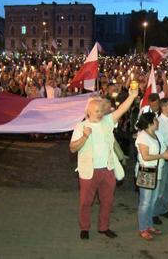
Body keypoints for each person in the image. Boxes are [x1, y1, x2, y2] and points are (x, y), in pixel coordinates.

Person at [70, 87, 138, 240]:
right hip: (89, 171)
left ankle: (104, 227)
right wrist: (84, 137)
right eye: (97, 111)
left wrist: (132, 96)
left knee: (107, 201)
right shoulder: (81, 127)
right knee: (85, 202)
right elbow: (73, 148)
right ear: (88, 112)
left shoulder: (108, 121)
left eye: (101, 110)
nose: (100, 113)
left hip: (107, 169)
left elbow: (122, 109)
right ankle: (85, 228)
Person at [135, 112, 168, 240]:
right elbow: (145, 156)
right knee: (145, 202)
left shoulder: (157, 134)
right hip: (146, 171)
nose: (158, 122)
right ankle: (143, 228)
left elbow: (163, 149)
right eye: (156, 120)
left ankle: (149, 225)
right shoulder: (142, 137)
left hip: (158, 171)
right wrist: (163, 156)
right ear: (150, 123)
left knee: (153, 201)